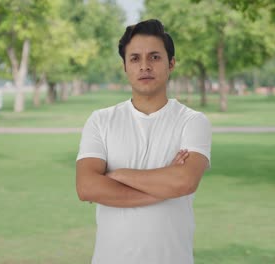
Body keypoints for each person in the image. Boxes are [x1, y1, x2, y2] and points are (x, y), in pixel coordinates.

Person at [76, 19, 212, 264]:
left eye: (155, 57)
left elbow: (185, 181)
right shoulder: (100, 121)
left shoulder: (192, 122)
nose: (145, 66)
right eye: (135, 58)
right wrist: (165, 186)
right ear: (125, 66)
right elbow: (86, 188)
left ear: (171, 64)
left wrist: (118, 174)